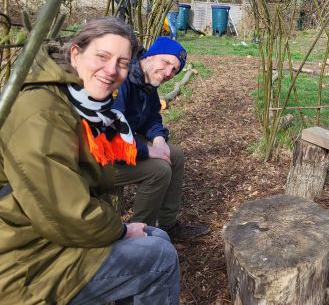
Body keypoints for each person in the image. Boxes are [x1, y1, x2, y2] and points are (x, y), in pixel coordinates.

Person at [0, 17, 180, 304]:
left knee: (157, 236)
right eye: (102, 56)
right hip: (27, 261)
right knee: (159, 257)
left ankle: (161, 224)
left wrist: (158, 138)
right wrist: (121, 230)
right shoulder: (40, 113)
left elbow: (151, 120)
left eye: (122, 62)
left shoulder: (87, 102)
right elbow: (66, 212)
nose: (112, 70)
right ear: (75, 53)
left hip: (50, 237)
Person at [113, 36, 209, 241]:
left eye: (174, 70)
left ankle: (168, 223)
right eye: (166, 63)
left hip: (127, 145)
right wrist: (149, 151)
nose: (168, 73)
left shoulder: (147, 82)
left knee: (175, 155)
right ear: (150, 55)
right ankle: (138, 234)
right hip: (102, 156)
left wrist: (158, 138)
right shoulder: (122, 80)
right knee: (159, 170)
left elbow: (153, 116)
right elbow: (113, 138)